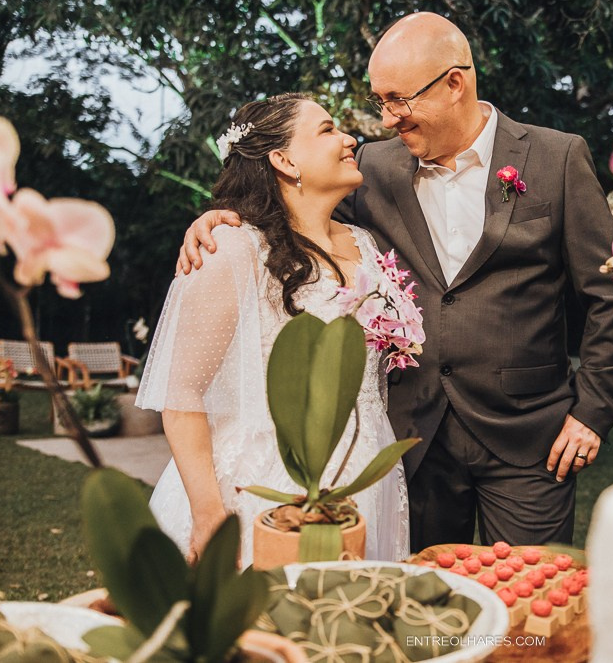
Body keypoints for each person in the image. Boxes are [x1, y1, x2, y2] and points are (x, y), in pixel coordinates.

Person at [177, 13, 613, 551]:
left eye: (399, 99)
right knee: (420, 610)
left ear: (453, 84)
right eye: (381, 101)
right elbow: (288, 208)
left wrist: (592, 413)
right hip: (413, 441)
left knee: (525, 609)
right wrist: (221, 217)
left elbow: (611, 291)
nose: (389, 117)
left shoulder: (557, 158)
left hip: (530, 439)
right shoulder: (372, 168)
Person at [137, 93, 410, 567]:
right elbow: (181, 395)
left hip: (367, 470)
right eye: (327, 130)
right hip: (263, 480)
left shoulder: (366, 244)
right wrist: (207, 512)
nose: (350, 139)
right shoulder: (232, 247)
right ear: (283, 160)